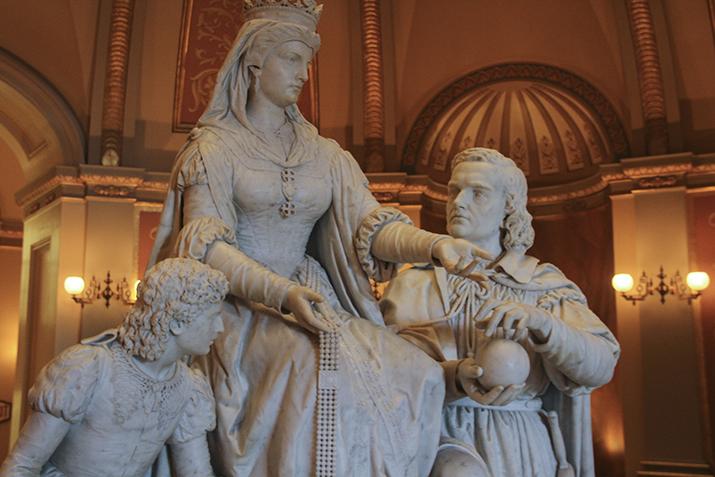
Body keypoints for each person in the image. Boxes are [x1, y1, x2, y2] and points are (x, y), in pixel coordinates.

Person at [147, 1, 493, 476]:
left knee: (418, 371)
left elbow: (371, 227)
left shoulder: (325, 154)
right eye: (291, 58)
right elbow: (207, 250)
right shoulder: (213, 149)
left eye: (307, 63)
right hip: (240, 309)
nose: (303, 75)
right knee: (306, 370)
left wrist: (434, 246)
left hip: (317, 301)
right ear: (253, 62)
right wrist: (283, 294)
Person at [381, 148, 620, 477]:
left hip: (519, 445)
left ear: (508, 205)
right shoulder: (411, 284)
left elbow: (601, 366)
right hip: (432, 438)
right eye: (454, 190)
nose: (459, 202)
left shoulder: (541, 284)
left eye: (477, 193)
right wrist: (453, 377)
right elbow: (377, 373)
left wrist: (543, 324)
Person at [0, 258, 229, 477]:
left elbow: (196, 473)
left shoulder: (190, 388)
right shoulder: (88, 368)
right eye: (213, 317)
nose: (220, 328)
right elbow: (22, 465)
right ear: (178, 322)